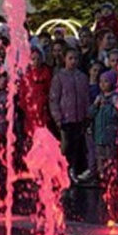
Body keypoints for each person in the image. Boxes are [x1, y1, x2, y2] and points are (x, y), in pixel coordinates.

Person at [49, 47, 91, 181]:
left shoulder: (83, 77)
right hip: (66, 117)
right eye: (70, 58)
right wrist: (57, 117)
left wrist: (87, 115)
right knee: (66, 145)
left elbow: (86, 98)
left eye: (76, 58)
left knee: (77, 146)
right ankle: (62, 170)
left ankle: (73, 170)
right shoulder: (59, 77)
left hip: (79, 117)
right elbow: (54, 99)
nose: (73, 61)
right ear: (65, 60)